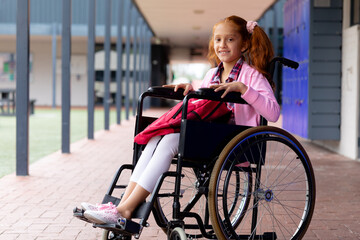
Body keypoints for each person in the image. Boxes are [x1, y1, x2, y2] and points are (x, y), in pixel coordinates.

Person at [81, 15, 280, 224]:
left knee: (168, 142)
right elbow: (206, 106)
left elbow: (273, 112)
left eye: (230, 39)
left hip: (234, 141)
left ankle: (126, 210)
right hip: (208, 135)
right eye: (218, 39)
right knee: (155, 138)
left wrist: (244, 89)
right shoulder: (212, 74)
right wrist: (192, 91)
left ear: (245, 43)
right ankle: (122, 205)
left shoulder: (252, 76)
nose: (222, 45)